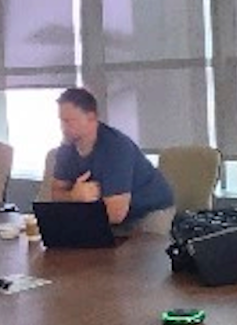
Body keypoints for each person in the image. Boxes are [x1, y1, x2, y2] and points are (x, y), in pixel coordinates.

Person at [48, 87, 176, 234]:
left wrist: (74, 206)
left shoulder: (116, 147)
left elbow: (115, 214)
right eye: (61, 121)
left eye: (69, 121)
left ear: (91, 118)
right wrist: (73, 196)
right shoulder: (67, 148)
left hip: (149, 212)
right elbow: (56, 194)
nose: (63, 127)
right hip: (106, 215)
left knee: (131, 254)